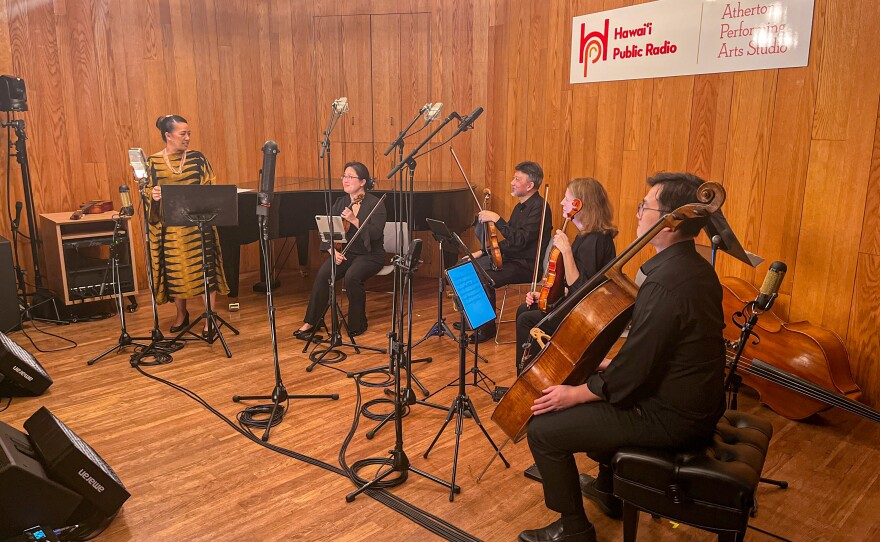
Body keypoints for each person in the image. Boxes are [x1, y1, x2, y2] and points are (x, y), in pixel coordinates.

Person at [518, 172, 726, 542]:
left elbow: (634, 372)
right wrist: (607, 366)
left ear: (670, 221)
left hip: (670, 417)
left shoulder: (664, 282)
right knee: (586, 396)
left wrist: (578, 393)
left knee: (544, 429)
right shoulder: (693, 268)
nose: (638, 214)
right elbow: (656, 355)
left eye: (645, 207)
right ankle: (609, 492)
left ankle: (575, 530)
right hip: (684, 400)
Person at [513, 178, 617, 373]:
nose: (561, 202)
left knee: (526, 320)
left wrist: (567, 252)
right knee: (524, 309)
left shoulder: (596, 240)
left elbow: (582, 290)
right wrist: (546, 296)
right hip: (574, 307)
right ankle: (523, 373)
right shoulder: (584, 236)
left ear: (580, 205)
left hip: (583, 317)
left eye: (567, 199)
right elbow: (569, 287)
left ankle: (532, 375)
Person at [147, 115, 228, 337]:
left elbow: (209, 186)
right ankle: (181, 314)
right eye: (183, 134)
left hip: (198, 228)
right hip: (172, 231)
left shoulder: (198, 159)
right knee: (176, 273)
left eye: (189, 133)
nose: (187, 138)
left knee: (206, 273)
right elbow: (146, 192)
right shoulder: (153, 162)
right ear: (168, 135)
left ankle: (209, 318)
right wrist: (152, 195)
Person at [294, 162, 386, 340]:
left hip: (370, 255)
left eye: (350, 177)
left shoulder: (375, 204)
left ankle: (357, 324)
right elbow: (329, 232)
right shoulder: (341, 202)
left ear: (362, 182)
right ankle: (313, 322)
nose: (345, 180)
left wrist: (354, 220)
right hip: (346, 253)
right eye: (344, 176)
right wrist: (331, 251)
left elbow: (374, 234)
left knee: (352, 277)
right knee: (323, 274)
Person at [464, 161, 553, 344]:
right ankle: (474, 320)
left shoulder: (540, 208)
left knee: (483, 276)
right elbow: (510, 242)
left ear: (529, 186)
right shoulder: (520, 206)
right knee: (465, 267)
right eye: (514, 177)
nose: (512, 182)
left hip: (527, 265)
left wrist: (497, 219)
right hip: (512, 258)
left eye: (517, 179)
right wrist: (483, 252)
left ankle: (486, 329)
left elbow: (519, 241)